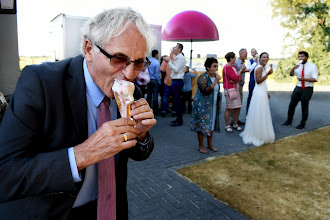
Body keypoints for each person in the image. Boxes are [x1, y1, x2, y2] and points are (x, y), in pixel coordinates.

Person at [0, 8, 156, 220]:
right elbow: (6, 174)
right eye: (119, 58)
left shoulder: (132, 91)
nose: (130, 74)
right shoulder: (41, 83)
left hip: (110, 208)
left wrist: (141, 136)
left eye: (139, 62)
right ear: (89, 49)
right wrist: (82, 154)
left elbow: (138, 152)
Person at [240, 52, 275, 146]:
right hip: (259, 93)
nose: (266, 59)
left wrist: (266, 92)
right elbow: (258, 81)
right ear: (260, 58)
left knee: (262, 112)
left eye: (267, 57)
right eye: (264, 57)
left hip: (262, 91)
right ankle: (257, 134)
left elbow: (262, 83)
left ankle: (262, 133)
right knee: (259, 112)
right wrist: (268, 74)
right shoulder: (259, 67)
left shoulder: (263, 67)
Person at [191, 58, 221, 154]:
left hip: (213, 105)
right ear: (208, 67)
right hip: (203, 106)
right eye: (214, 66)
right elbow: (205, 91)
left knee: (211, 125)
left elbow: (217, 92)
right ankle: (201, 145)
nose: (216, 68)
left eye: (217, 66)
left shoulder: (215, 76)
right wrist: (215, 82)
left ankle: (209, 144)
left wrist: (219, 104)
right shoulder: (203, 77)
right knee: (202, 126)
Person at [281, 51, 318, 130]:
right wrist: (293, 68)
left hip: (308, 88)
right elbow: (291, 74)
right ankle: (289, 121)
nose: (300, 58)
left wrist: (304, 79)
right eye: (299, 57)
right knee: (292, 105)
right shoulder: (298, 65)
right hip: (298, 87)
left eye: (302, 56)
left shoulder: (312, 66)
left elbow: (315, 79)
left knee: (304, 106)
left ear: (306, 57)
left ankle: (302, 123)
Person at [164, 43, 186, 126]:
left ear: (179, 49)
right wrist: (172, 60)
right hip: (176, 81)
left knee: (177, 101)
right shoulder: (178, 58)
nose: (173, 48)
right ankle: (178, 118)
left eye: (175, 47)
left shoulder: (181, 58)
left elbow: (176, 70)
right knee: (176, 101)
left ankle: (179, 120)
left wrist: (169, 62)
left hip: (177, 81)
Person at [222, 52, 245, 132]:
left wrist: (235, 79)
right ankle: (227, 125)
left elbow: (239, 79)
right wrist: (241, 70)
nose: (235, 59)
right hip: (229, 90)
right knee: (229, 108)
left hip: (236, 88)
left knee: (237, 107)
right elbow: (235, 78)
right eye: (234, 57)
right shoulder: (227, 67)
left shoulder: (234, 67)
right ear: (231, 58)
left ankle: (235, 124)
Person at [233, 48, 250, 125]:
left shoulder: (243, 62)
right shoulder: (236, 62)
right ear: (240, 54)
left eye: (246, 54)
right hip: (237, 85)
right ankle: (233, 121)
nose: (246, 55)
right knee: (236, 103)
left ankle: (236, 119)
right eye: (245, 54)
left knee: (238, 103)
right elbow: (235, 72)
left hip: (241, 84)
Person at [146, 50, 161, 114]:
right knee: (155, 95)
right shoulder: (157, 63)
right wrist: (159, 82)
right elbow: (157, 74)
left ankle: (146, 109)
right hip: (154, 80)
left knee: (149, 95)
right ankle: (155, 110)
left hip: (148, 80)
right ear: (156, 54)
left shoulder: (148, 61)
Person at [246, 48, 259, 113]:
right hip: (252, 81)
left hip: (259, 81)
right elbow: (249, 70)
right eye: (253, 52)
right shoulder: (249, 61)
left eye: (255, 51)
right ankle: (248, 112)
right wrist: (254, 62)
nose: (254, 52)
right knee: (250, 96)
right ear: (251, 54)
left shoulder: (260, 61)